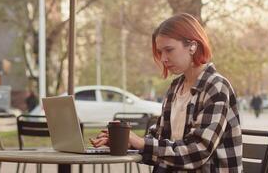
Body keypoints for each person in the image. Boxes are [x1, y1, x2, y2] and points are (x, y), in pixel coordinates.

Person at [90, 13, 242, 172]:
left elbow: (198, 151)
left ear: (192, 46)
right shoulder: (176, 88)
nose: (163, 58)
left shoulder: (216, 87)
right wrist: (127, 142)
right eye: (160, 52)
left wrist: (142, 144)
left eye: (169, 50)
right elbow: (160, 138)